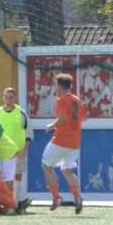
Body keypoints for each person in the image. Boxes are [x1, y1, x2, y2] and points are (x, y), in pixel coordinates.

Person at [42, 74, 87, 214]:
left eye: (56, 84)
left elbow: (62, 119)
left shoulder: (61, 100)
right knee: (67, 170)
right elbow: (82, 118)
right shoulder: (77, 100)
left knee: (46, 165)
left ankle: (56, 197)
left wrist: (51, 125)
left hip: (61, 140)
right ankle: (77, 196)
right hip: (75, 141)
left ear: (60, 86)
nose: (55, 88)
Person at [0, 87, 33, 202]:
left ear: (15, 98)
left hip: (18, 151)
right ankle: (4, 200)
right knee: (3, 177)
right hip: (2, 152)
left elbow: (29, 132)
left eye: (11, 97)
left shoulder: (21, 113)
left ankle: (16, 200)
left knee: (17, 175)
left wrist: (25, 149)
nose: (8, 100)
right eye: (6, 97)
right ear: (3, 98)